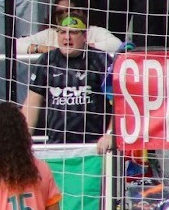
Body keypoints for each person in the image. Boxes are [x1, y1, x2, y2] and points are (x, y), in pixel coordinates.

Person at [23, 13, 114, 150]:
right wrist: (23, 140)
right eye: (62, 32)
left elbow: (118, 103)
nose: (67, 37)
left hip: (94, 147)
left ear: (84, 36)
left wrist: (110, 134)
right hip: (56, 147)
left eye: (73, 32)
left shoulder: (100, 60)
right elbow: (31, 105)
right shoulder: (47, 61)